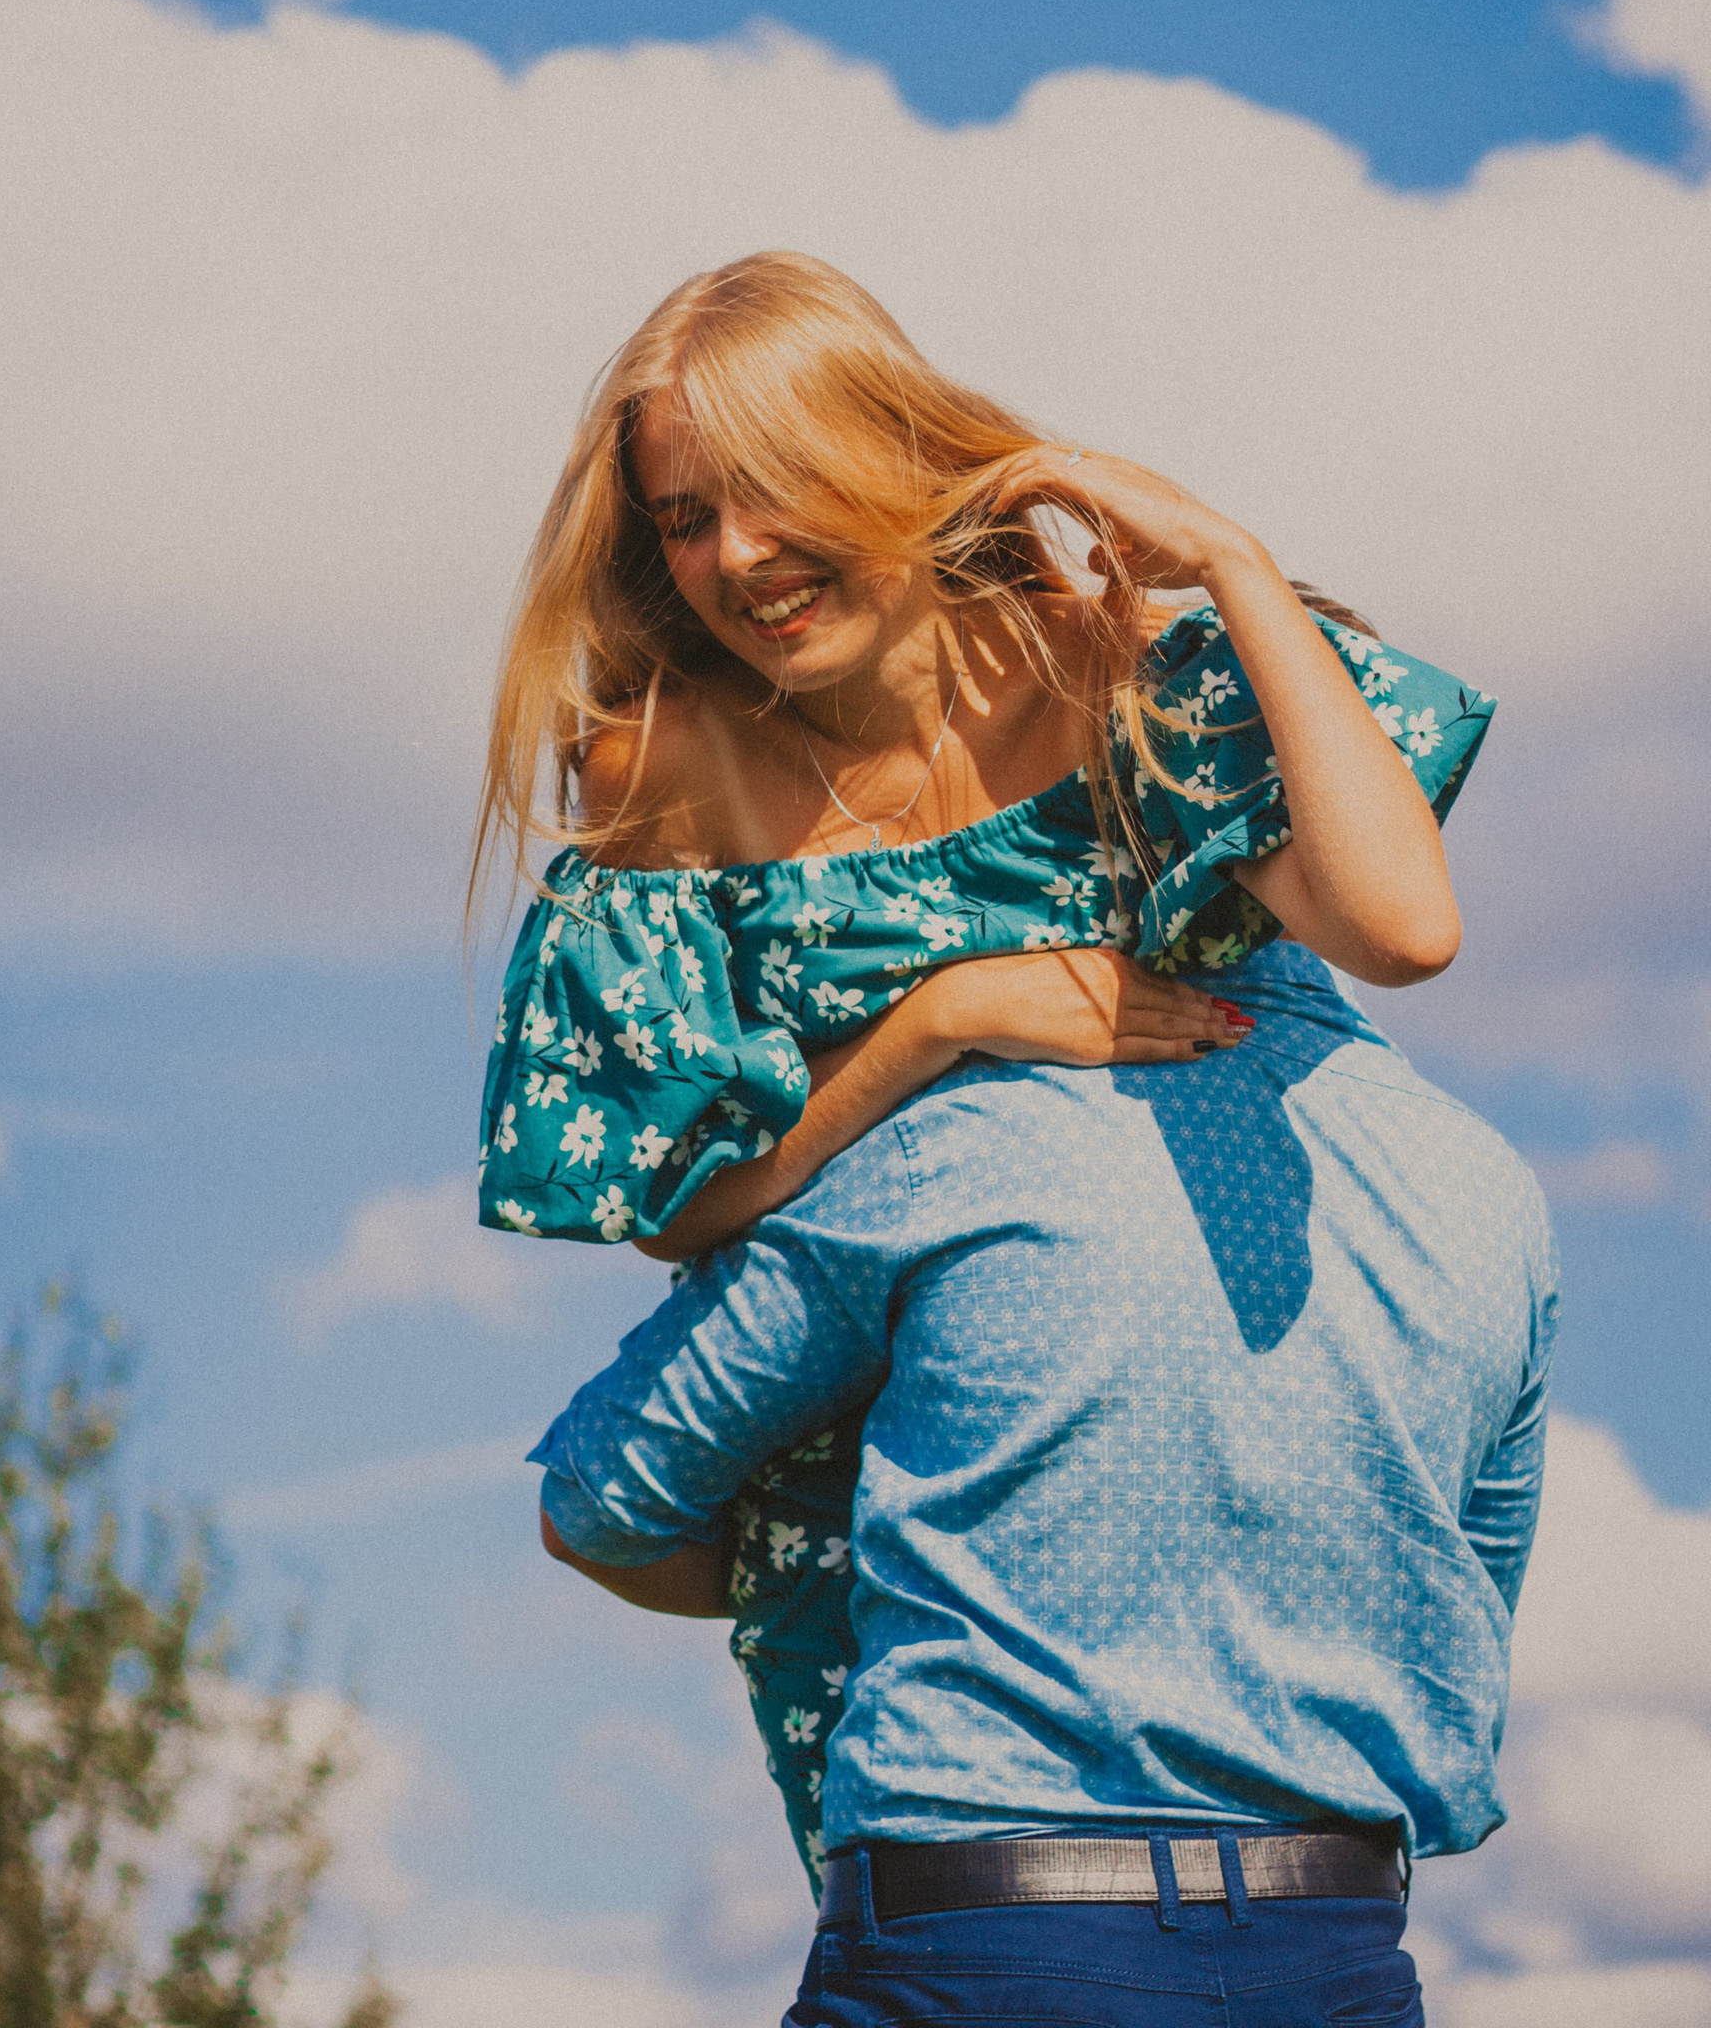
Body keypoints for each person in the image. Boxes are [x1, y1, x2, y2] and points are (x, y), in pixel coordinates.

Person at [475, 254, 1554, 2015]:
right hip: (907, 1442)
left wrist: (1230, 563)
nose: (736, 557)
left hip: (1145, 1345)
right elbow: (674, 1201)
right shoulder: (663, 761)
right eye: (684, 518)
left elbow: (1400, 925)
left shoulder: (1113, 664)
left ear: (890, 452)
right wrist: (940, 1024)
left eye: (773, 488)